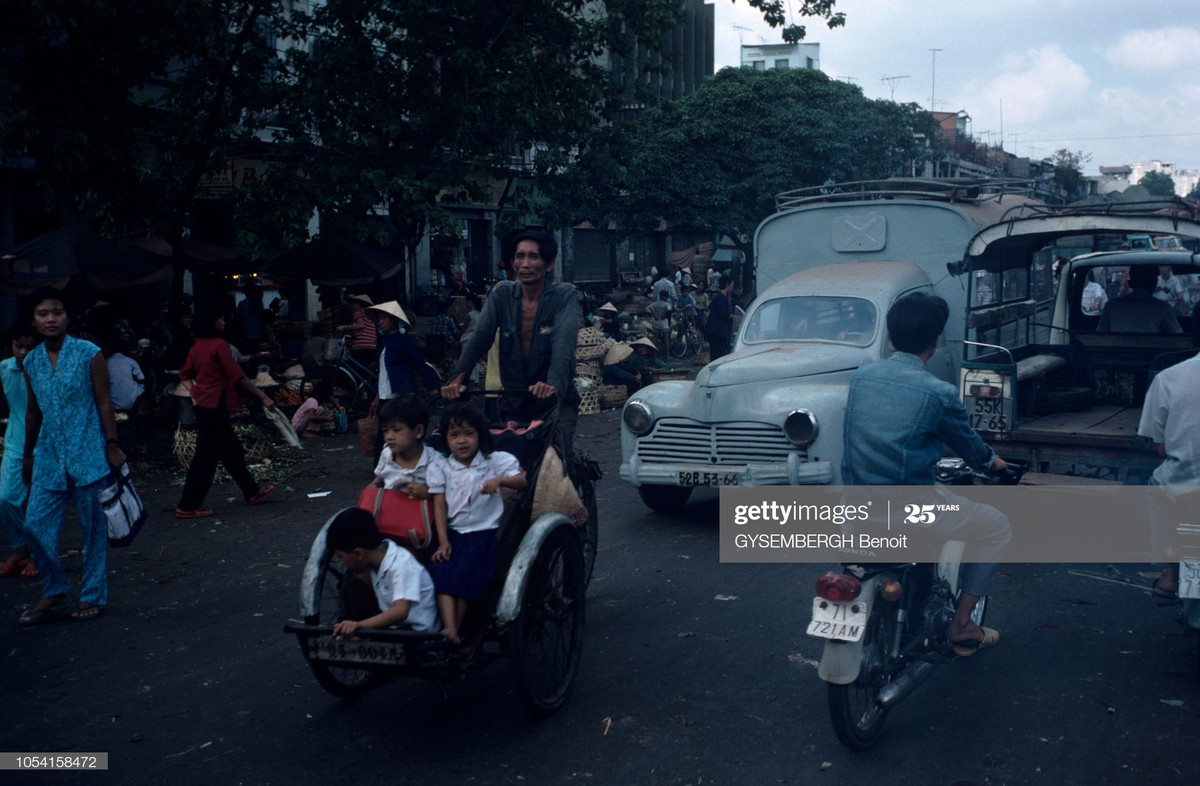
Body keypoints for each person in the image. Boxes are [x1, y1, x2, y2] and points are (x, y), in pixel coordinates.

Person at [842, 292, 1011, 656]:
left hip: (855, 509)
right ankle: (962, 625)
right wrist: (993, 463)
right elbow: (969, 446)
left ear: (891, 335)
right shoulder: (939, 393)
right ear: (935, 341)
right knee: (995, 525)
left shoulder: (862, 377)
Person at [18, 290, 126, 625]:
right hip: (49, 456)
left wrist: (112, 444)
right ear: (33, 320)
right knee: (34, 525)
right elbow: (34, 411)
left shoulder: (88, 353)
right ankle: (56, 588)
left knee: (92, 530)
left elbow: (104, 401)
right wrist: (27, 456)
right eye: (43, 313)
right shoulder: (31, 360)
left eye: (57, 312)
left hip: (89, 453)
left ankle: (92, 595)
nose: (51, 319)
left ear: (68, 317)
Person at [442, 229, 580, 433]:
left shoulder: (564, 295)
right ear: (513, 262)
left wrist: (552, 385)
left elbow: (563, 345)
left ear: (549, 264)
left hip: (554, 401)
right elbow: (480, 339)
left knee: (555, 455)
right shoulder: (501, 294)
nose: (525, 264)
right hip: (513, 401)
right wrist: (457, 378)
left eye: (533, 256)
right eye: (520, 256)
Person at [427, 403, 526, 644]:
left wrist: (499, 481)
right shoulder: (440, 467)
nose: (462, 441)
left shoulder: (495, 461)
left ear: (479, 435)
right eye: (454, 435)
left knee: (464, 572)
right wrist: (443, 542)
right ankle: (449, 627)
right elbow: (439, 505)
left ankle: (457, 630)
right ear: (446, 439)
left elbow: (521, 481)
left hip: (483, 535)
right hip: (454, 535)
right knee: (442, 570)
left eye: (469, 434)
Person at [175, 302, 278, 519]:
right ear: (212, 322)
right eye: (220, 318)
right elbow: (238, 377)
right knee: (207, 457)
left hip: (205, 406)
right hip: (215, 407)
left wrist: (194, 394)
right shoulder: (218, 345)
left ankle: (251, 492)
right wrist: (264, 397)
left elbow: (184, 375)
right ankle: (187, 506)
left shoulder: (197, 346)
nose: (223, 321)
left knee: (230, 450)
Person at [1137, 352, 1200, 598]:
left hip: (1182, 483)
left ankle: (1169, 576)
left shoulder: (1168, 378)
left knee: (1158, 489)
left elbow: (1161, 448)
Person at [326, 507, 439, 637]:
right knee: (350, 587)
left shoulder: (401, 564)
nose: (341, 562)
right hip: (396, 626)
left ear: (358, 554)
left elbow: (400, 611)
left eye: (341, 557)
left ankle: (353, 635)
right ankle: (345, 632)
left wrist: (359, 625)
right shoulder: (374, 559)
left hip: (416, 631)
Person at [0, 328, 39, 581]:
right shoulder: (5, 368)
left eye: (29, 347)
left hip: (45, 445)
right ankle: (21, 547)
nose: (23, 352)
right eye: (18, 346)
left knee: (39, 504)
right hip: (15, 442)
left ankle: (38, 553)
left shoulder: (46, 369)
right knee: (6, 499)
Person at [370, 301, 439, 399]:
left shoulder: (405, 340)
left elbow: (419, 363)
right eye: (379, 319)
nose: (381, 322)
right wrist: (378, 393)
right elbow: (383, 369)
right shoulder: (384, 340)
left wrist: (431, 387)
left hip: (401, 391)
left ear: (393, 320)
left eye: (384, 318)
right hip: (385, 392)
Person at [1097, 265, 1182, 334]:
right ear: (1154, 283)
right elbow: (1177, 334)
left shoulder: (1111, 306)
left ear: (1130, 282)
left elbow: (1100, 333)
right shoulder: (1163, 308)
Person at [336, 293, 378, 368]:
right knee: (367, 369)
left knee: (357, 368)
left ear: (357, 304)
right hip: (372, 346)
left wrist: (344, 327)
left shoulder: (358, 312)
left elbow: (361, 325)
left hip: (361, 347)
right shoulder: (369, 317)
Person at [105, 346, 146, 413]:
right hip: (131, 402)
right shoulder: (131, 361)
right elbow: (142, 379)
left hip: (113, 403)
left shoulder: (106, 362)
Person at [705, 275, 735, 360]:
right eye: (731, 286)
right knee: (717, 357)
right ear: (727, 285)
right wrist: (738, 317)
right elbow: (725, 315)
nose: (732, 289)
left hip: (721, 333)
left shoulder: (725, 298)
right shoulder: (720, 298)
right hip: (717, 333)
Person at [646, 290, 672, 356]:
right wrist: (665, 316)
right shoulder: (666, 304)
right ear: (663, 296)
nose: (667, 298)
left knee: (655, 339)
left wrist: (653, 315)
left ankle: (654, 354)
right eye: (666, 297)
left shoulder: (654, 304)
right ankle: (667, 355)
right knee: (666, 339)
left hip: (656, 322)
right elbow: (669, 310)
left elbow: (647, 309)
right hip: (663, 322)